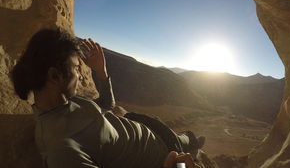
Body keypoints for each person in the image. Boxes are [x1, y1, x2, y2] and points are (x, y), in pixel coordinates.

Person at [10, 27, 205, 168]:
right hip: (165, 154)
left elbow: (106, 104)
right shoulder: (62, 149)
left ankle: (191, 139)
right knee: (181, 140)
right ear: (54, 76)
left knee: (181, 136)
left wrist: (101, 71)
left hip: (148, 129)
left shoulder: (65, 103)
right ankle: (192, 141)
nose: (80, 75)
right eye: (77, 68)